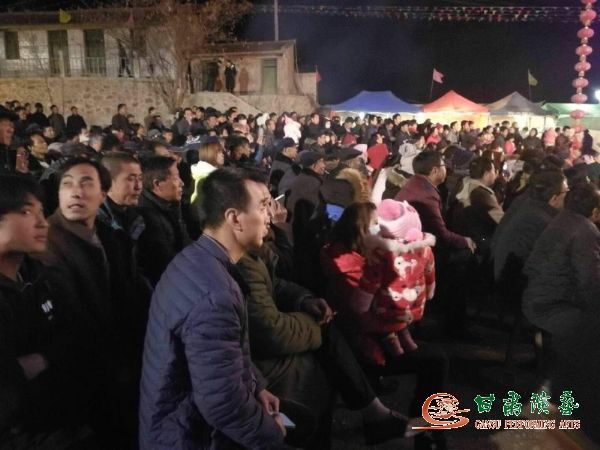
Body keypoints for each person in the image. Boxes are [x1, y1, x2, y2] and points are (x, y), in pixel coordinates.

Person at [139, 168, 286, 449]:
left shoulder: (197, 259)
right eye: (263, 205)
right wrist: (271, 433)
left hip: (175, 421)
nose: (270, 215)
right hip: (189, 436)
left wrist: (256, 385)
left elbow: (224, 357)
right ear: (234, 218)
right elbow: (222, 403)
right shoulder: (215, 295)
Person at [320, 202, 449, 450]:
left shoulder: (361, 256)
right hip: (366, 346)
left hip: (376, 338)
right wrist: (405, 314)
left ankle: (423, 428)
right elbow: (363, 315)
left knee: (434, 358)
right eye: (376, 225)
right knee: (436, 360)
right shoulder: (348, 265)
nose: (383, 231)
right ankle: (427, 432)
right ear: (361, 230)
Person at [0, 173, 98, 449]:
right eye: (25, 212)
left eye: (41, 211)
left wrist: (40, 359)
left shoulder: (36, 274)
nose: (42, 222)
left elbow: (72, 334)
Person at [522, 183, 600, 444]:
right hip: (551, 306)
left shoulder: (562, 219)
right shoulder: (585, 230)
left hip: (536, 296)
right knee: (590, 330)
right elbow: (590, 284)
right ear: (595, 211)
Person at [137, 156, 191, 286]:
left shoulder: (170, 205)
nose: (182, 183)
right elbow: (165, 263)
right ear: (157, 184)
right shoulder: (147, 218)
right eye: (176, 178)